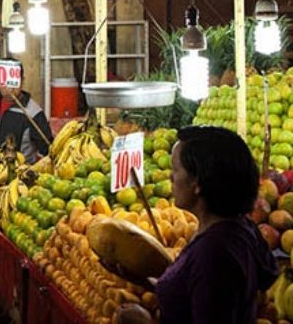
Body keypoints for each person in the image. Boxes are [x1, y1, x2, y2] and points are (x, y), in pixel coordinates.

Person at [116, 126, 278, 324]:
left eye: (175, 169)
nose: (170, 177)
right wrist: (144, 280)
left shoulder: (213, 253)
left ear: (198, 182)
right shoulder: (239, 226)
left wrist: (144, 322)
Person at [0, 62, 52, 164]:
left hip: (20, 172)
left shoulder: (34, 112)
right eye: (6, 80)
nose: (10, 87)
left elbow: (47, 149)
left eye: (14, 81)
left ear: (22, 81)